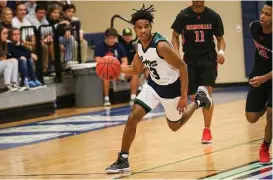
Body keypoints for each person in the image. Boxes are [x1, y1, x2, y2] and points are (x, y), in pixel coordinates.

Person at [105, 4, 213, 174]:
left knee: (175, 126)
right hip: (153, 85)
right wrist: (114, 68)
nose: (143, 31)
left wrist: (184, 96)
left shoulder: (161, 46)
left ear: (150, 27)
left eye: (146, 26)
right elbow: (135, 69)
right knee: (133, 117)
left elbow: (183, 67)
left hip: (172, 89)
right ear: (135, 29)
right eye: (139, 28)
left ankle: (199, 100)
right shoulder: (140, 46)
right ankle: (123, 159)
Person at [171, 0, 226, 144]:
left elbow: (220, 39)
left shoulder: (213, 16)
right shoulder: (183, 15)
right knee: (195, 97)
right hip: (189, 60)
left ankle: (207, 129)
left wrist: (221, 51)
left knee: (206, 93)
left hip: (208, 58)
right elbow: (174, 35)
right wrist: (176, 53)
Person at [245, 1, 272, 165]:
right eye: (262, 12)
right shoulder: (254, 27)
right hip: (259, 77)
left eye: (268, 14)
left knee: (272, 114)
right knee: (251, 117)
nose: (262, 16)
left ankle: (265, 146)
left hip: (269, 77)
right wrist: (259, 77)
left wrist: (264, 78)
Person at [95, 27, 128, 106]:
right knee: (106, 76)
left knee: (134, 73)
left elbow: (125, 60)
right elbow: (98, 60)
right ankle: (106, 98)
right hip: (106, 70)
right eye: (110, 38)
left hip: (118, 70)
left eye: (114, 38)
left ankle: (134, 97)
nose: (112, 40)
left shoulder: (119, 46)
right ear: (106, 38)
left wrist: (119, 69)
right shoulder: (100, 46)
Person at [118, 28, 139, 103]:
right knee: (134, 73)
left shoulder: (133, 46)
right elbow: (124, 62)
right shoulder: (119, 46)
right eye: (126, 35)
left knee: (147, 69)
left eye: (129, 35)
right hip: (122, 69)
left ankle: (149, 90)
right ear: (122, 36)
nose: (128, 37)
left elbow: (136, 59)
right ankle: (133, 97)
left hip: (131, 67)